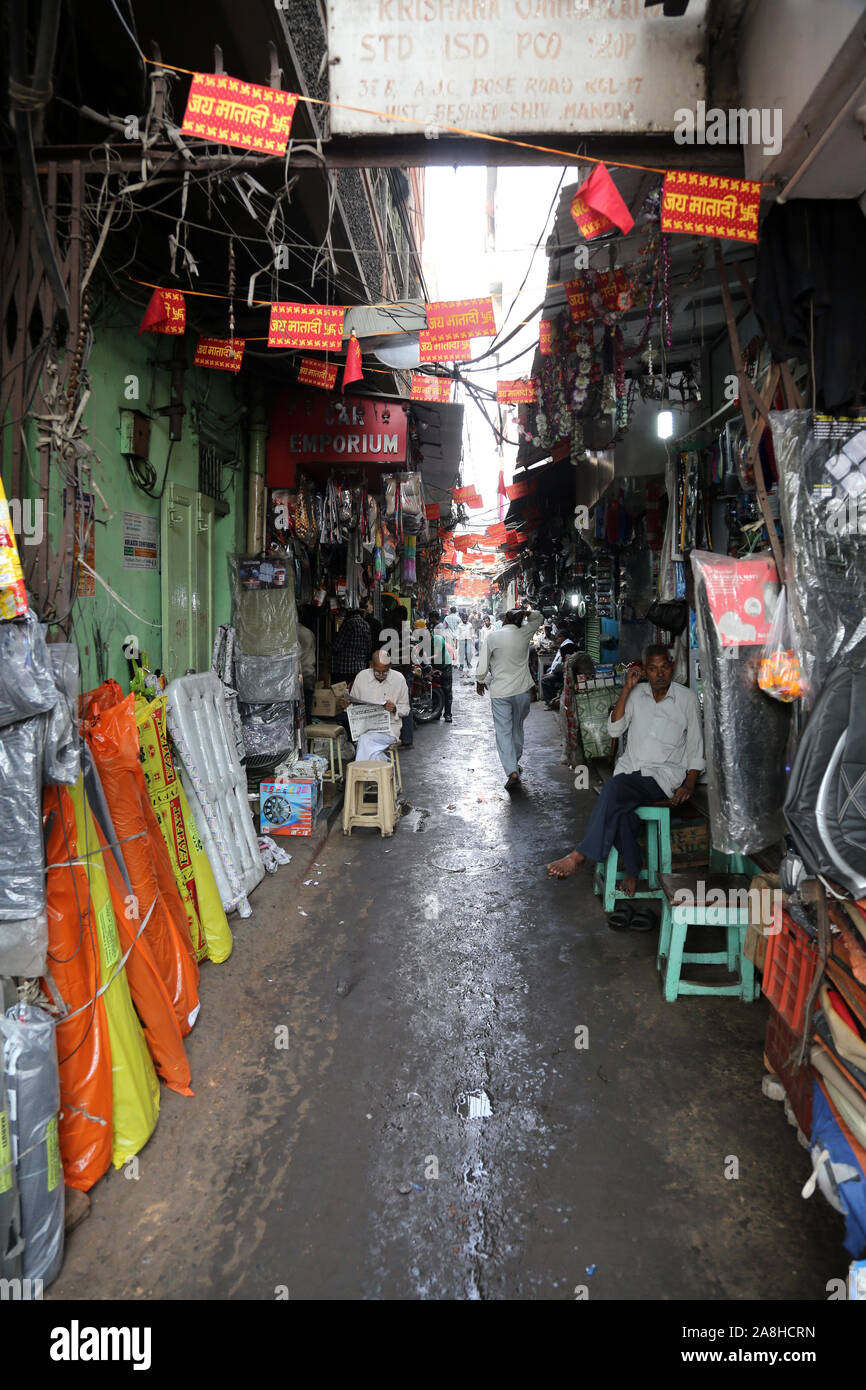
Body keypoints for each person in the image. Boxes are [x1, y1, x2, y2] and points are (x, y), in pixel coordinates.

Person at [547, 645, 705, 897]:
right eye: (652, 669)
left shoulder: (686, 699)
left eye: (664, 667)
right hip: (631, 770)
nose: (659, 674)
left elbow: (697, 746)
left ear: (671, 666)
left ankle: (580, 855)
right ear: (646, 671)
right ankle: (633, 869)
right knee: (621, 809)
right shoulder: (636, 694)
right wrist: (626, 690)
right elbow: (614, 730)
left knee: (613, 790)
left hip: (663, 776)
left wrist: (689, 783)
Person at [475, 605, 543, 789]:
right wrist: (529, 613)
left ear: (505, 620)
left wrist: (480, 680)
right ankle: (515, 763)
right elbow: (540, 618)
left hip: (500, 693)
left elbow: (483, 664)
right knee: (517, 729)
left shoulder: (493, 637)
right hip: (522, 691)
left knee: (504, 732)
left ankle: (512, 770)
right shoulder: (524, 633)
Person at [341, 649, 410, 762]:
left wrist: (395, 708)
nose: (382, 675)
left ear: (390, 666)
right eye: (378, 672)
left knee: (365, 741)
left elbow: (406, 708)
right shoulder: (361, 677)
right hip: (363, 729)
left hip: (389, 731)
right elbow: (352, 706)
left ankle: (360, 777)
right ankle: (385, 766)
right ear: (371, 665)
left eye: (385, 672)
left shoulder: (399, 679)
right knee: (366, 743)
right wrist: (346, 705)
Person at [330, 608, 373, 687]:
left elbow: (337, 646)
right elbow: (369, 648)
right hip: (360, 668)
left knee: (344, 695)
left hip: (345, 669)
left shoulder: (348, 624)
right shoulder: (366, 625)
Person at [428, 611, 455, 722]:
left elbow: (437, 655)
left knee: (447, 690)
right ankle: (436, 712)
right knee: (435, 689)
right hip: (435, 666)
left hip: (445, 665)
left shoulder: (438, 639)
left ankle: (448, 714)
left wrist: (427, 659)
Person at [541, 638, 575, 708]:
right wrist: (551, 671)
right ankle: (553, 699)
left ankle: (550, 702)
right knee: (546, 675)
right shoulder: (565, 645)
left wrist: (552, 671)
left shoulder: (567, 646)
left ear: (562, 637)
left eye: (558, 637)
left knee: (544, 680)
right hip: (562, 671)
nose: (557, 639)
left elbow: (560, 665)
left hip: (564, 673)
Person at [297, 617, 317, 724]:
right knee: (307, 710)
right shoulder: (309, 632)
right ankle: (307, 735)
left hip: (296, 677)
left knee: (295, 712)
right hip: (309, 674)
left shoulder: (290, 633)